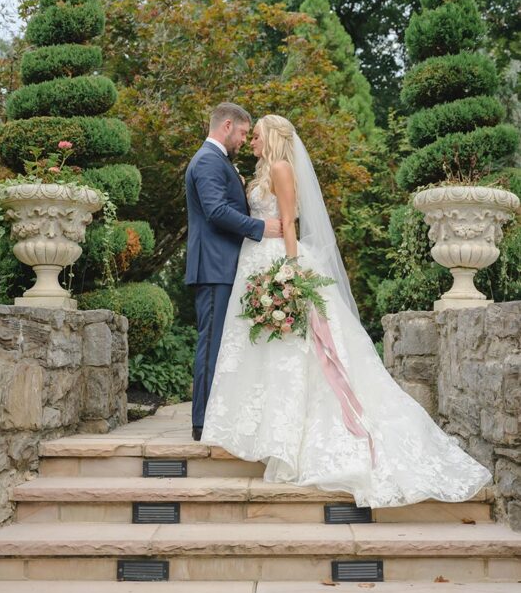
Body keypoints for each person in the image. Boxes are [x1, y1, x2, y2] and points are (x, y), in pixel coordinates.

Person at [201, 114, 492, 507]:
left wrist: (289, 274)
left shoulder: (283, 169)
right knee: (263, 350)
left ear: (271, 138)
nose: (251, 141)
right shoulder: (260, 172)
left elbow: (289, 224)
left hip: (275, 261)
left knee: (292, 351)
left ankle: (289, 439)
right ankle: (262, 433)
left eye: (256, 136)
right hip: (252, 262)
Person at [185, 102, 282, 441]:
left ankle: (214, 417)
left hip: (223, 266)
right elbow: (215, 211)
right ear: (227, 126)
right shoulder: (209, 160)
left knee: (220, 343)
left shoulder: (216, 161)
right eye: (242, 133)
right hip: (214, 267)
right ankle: (202, 423)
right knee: (211, 344)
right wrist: (260, 227)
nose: (244, 140)